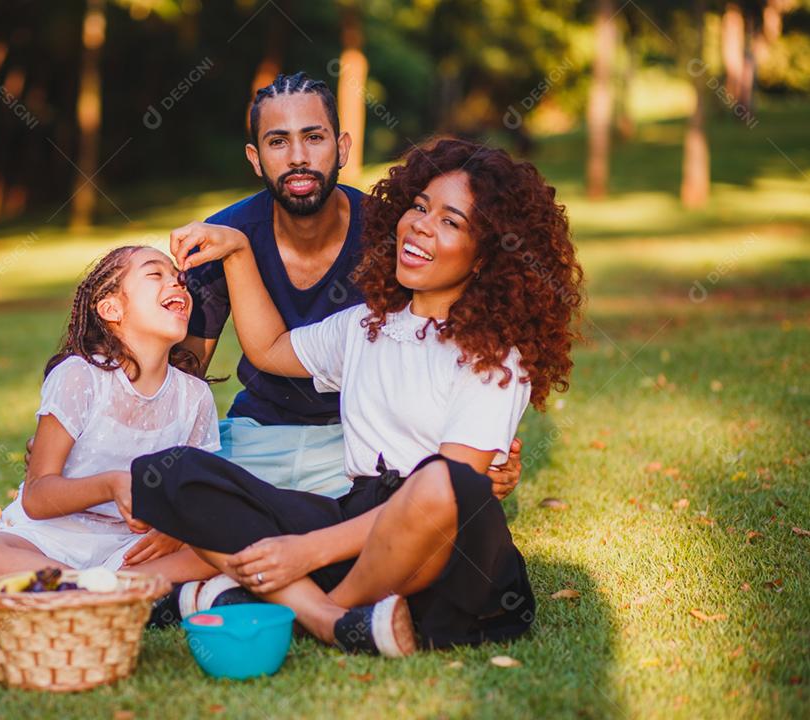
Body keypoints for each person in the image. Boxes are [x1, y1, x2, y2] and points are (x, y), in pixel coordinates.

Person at [130, 138, 584, 655]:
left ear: (486, 258)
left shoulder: (495, 356)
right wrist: (237, 251)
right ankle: (333, 620)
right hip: (354, 520)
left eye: (451, 222)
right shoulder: (365, 326)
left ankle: (307, 612)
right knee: (171, 472)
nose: (420, 226)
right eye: (419, 207)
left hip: (443, 548)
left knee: (442, 482)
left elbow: (456, 493)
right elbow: (271, 349)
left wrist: (304, 551)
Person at [171, 71, 525, 499]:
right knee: (173, 496)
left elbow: (462, 339)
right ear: (254, 157)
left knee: (397, 517)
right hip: (256, 433)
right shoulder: (226, 234)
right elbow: (184, 374)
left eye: (314, 137)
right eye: (278, 142)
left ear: (342, 148)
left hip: (359, 445)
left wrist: (486, 448)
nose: (297, 157)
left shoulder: (394, 232)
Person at [0, 246, 221, 581]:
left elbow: (195, 493)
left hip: (131, 550)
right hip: (48, 542)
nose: (177, 284)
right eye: (155, 274)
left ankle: (92, 590)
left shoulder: (194, 396)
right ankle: (105, 589)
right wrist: (110, 485)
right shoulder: (80, 376)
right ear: (111, 308)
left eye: (179, 278)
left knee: (226, 543)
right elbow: (37, 496)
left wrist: (175, 532)